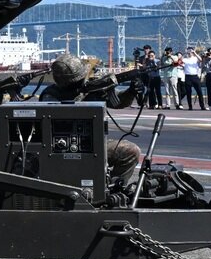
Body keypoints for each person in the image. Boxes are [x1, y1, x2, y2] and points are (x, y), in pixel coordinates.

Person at [37, 54, 142, 188]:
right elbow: (59, 122)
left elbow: (118, 102)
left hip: (94, 142)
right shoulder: (50, 96)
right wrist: (87, 100)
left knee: (131, 151)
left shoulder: (90, 89)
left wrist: (131, 92)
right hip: (63, 147)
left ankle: (114, 188)